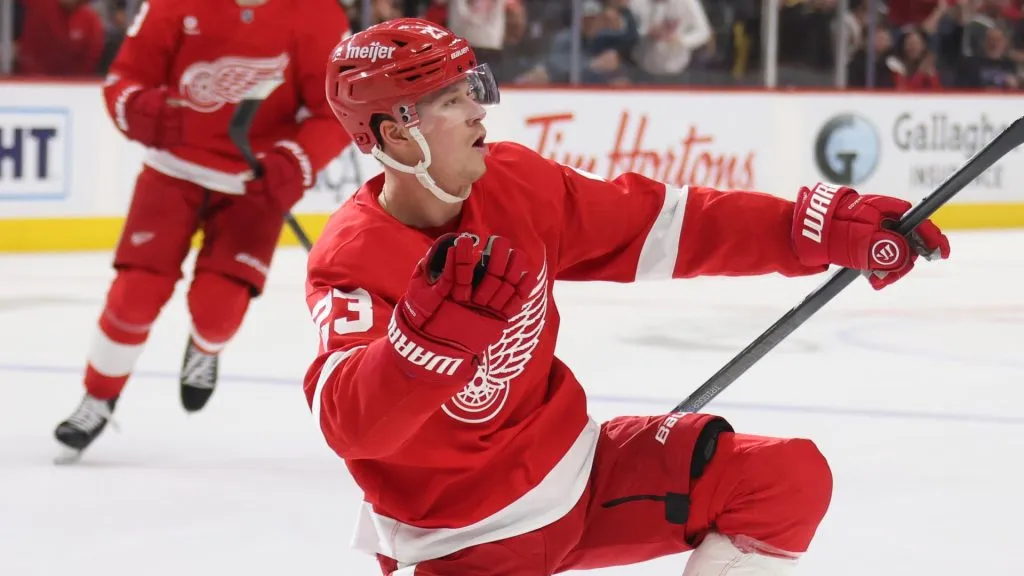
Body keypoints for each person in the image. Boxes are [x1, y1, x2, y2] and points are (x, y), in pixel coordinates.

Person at [305, 18, 951, 575]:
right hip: (460, 541)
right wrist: (423, 348)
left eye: (471, 90)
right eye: (450, 101)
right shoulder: (353, 257)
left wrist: (814, 232)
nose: (478, 110)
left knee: (783, 480)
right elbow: (347, 421)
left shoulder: (516, 182)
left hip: (581, 478)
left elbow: (668, 225)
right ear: (393, 134)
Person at [53, 0, 351, 461]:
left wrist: (296, 160)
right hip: (171, 172)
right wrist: (143, 108)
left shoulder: (317, 14)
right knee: (134, 294)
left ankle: (205, 346)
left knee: (218, 307)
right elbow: (124, 79)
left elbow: (332, 110)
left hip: (253, 184)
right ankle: (97, 397)